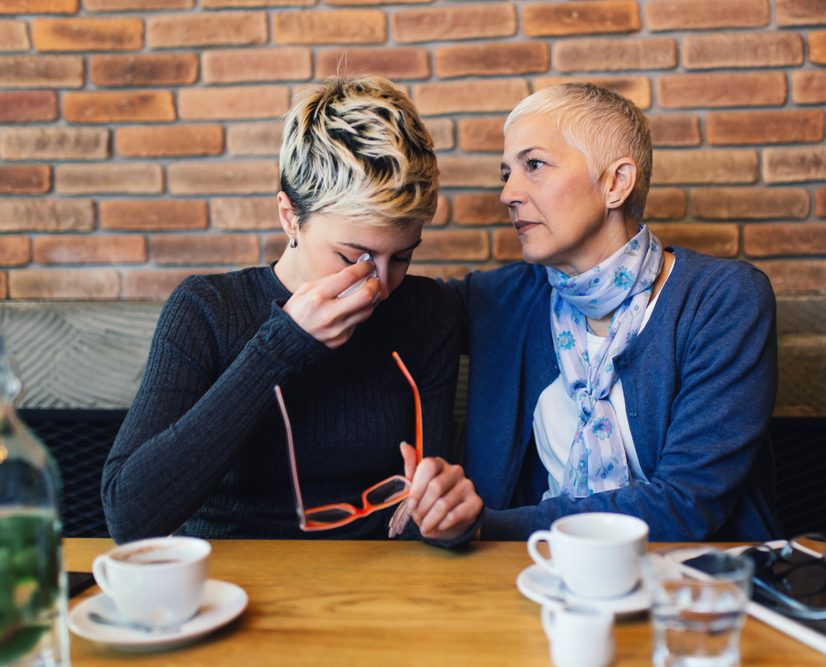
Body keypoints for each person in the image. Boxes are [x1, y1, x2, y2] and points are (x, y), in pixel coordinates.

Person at [102, 76, 481, 546]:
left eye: (402, 256)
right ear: (289, 216)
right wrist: (280, 346)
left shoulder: (428, 314)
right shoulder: (207, 310)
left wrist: (450, 519)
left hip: (381, 594)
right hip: (230, 586)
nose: (380, 284)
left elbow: (423, 517)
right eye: (353, 257)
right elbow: (129, 517)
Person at [440, 83, 780, 541]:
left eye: (534, 165)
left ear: (616, 183)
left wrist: (487, 526)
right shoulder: (501, 300)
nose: (508, 194)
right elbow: (386, 298)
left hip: (694, 584)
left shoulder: (722, 299)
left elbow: (687, 504)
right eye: (506, 174)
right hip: (533, 575)